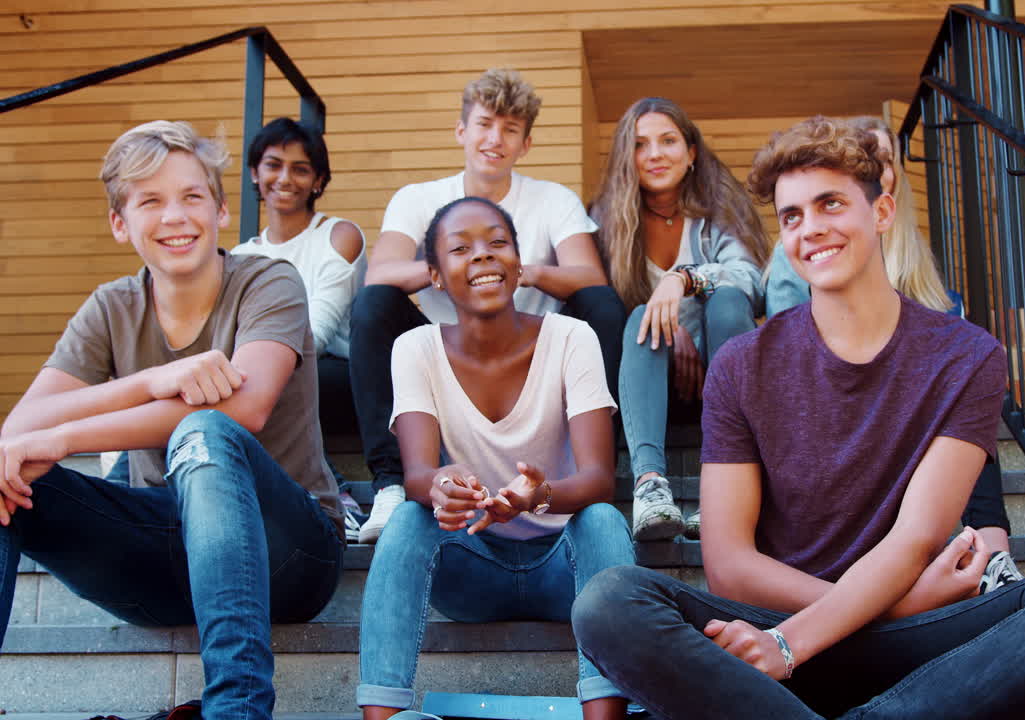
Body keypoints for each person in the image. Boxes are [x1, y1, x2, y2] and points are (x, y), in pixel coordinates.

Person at [572, 116, 1025, 720]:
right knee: (609, 602)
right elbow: (729, 565)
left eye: (831, 204)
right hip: (792, 629)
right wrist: (834, 625)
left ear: (882, 211)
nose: (811, 229)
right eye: (792, 216)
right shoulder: (742, 364)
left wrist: (800, 642)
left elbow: (919, 536)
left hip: (905, 651)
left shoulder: (968, 356)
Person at [0, 121, 344, 720]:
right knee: (5, 470)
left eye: (191, 197)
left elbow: (245, 407)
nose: (176, 217)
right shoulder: (112, 306)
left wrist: (63, 436)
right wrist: (146, 381)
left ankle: (236, 712)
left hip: (290, 554)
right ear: (120, 223)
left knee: (205, 430)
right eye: (151, 202)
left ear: (220, 210)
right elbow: (19, 427)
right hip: (166, 553)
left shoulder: (269, 281)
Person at [356, 197, 633, 720]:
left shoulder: (572, 337)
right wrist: (440, 482)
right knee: (409, 520)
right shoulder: (414, 348)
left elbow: (599, 479)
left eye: (497, 242)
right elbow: (416, 474)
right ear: (435, 276)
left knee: (603, 521)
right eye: (461, 249)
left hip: (566, 572)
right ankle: (384, 715)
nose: (482, 256)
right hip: (471, 568)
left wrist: (541, 495)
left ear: (520, 265)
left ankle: (606, 713)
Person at [351, 69, 626, 544]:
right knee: (374, 305)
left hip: (533, 350)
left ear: (526, 143)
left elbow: (589, 278)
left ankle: (594, 471)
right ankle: (391, 483)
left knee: (601, 305)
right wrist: (458, 269)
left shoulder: (552, 199)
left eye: (510, 129)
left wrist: (518, 270)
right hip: (445, 348)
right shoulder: (418, 198)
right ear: (462, 131)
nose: (494, 138)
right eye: (484, 124)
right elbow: (381, 273)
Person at [765, 114, 1021, 593]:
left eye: (885, 159)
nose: (878, 165)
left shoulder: (908, 246)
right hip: (834, 390)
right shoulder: (807, 246)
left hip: (914, 395)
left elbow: (942, 325)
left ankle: (993, 553)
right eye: (868, 156)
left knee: (967, 399)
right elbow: (788, 333)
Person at [590, 97, 769, 541]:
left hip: (722, 374)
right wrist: (672, 332)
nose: (654, 154)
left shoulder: (717, 213)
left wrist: (684, 280)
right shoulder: (607, 221)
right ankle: (650, 485)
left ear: (691, 153)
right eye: (640, 144)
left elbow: (752, 280)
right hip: (647, 384)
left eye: (668, 141)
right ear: (626, 158)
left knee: (728, 300)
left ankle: (727, 484)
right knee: (635, 316)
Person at [231, 116, 368, 540]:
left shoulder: (339, 236)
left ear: (318, 180)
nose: (285, 178)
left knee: (268, 380)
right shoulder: (238, 257)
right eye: (273, 165)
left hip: (337, 378)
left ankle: (333, 493)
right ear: (255, 173)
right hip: (265, 380)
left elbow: (317, 333)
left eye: (300, 168)